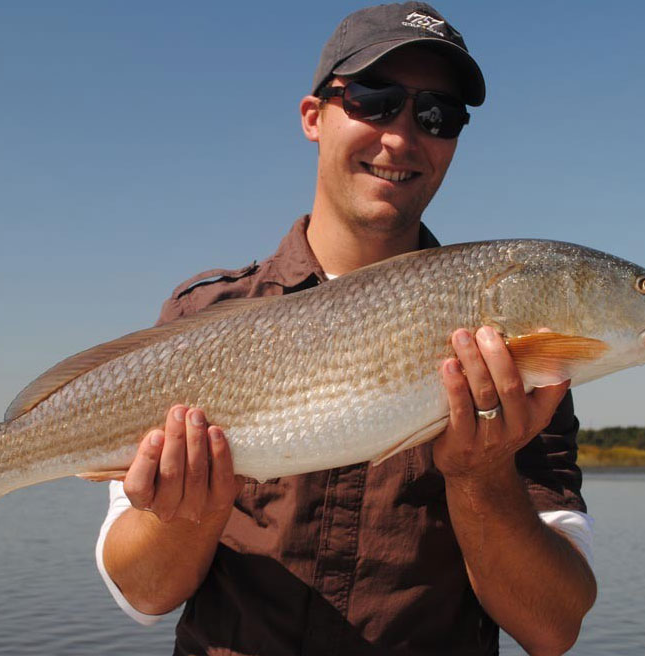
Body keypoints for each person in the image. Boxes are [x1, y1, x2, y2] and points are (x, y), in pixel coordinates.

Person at [96, 3, 597, 654]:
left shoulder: (503, 345)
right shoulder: (203, 317)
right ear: (313, 116)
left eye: (437, 114)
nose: (401, 136)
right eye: (372, 99)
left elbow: (551, 627)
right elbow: (144, 593)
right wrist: (190, 513)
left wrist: (482, 477)